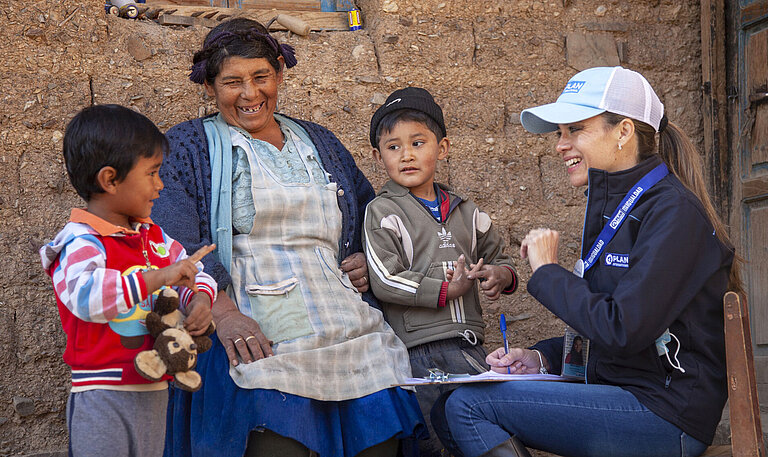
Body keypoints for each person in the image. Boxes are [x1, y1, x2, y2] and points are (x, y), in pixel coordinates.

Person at [433, 66, 741, 457]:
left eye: (574, 129)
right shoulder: (618, 207)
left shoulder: (673, 213)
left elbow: (623, 330)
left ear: (624, 132)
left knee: (469, 407)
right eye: (559, 133)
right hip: (623, 392)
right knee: (447, 408)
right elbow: (605, 331)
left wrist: (547, 273)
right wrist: (540, 358)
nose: (560, 145)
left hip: (665, 415)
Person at [151, 18, 425, 457]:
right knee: (275, 430)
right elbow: (171, 240)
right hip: (252, 312)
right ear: (209, 87)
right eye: (232, 82)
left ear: (279, 72)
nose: (250, 93)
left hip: (340, 313)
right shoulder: (185, 147)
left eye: (261, 77)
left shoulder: (319, 141)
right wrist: (224, 315)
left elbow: (368, 209)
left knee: (376, 426)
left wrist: (367, 259)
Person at [39, 104, 217, 457]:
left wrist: (198, 300)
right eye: (151, 173)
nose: (160, 184)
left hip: (152, 390)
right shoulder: (81, 241)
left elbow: (192, 272)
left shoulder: (154, 237)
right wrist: (163, 276)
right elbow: (89, 298)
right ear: (110, 180)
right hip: (102, 394)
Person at [363, 87, 518, 456]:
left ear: (442, 148)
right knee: (433, 443)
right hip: (417, 354)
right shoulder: (382, 212)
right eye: (394, 147)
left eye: (418, 143)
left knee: (490, 435)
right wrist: (447, 290)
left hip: (469, 348)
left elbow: (503, 259)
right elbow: (385, 279)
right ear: (377, 155)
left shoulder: (468, 213)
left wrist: (500, 276)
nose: (407, 155)